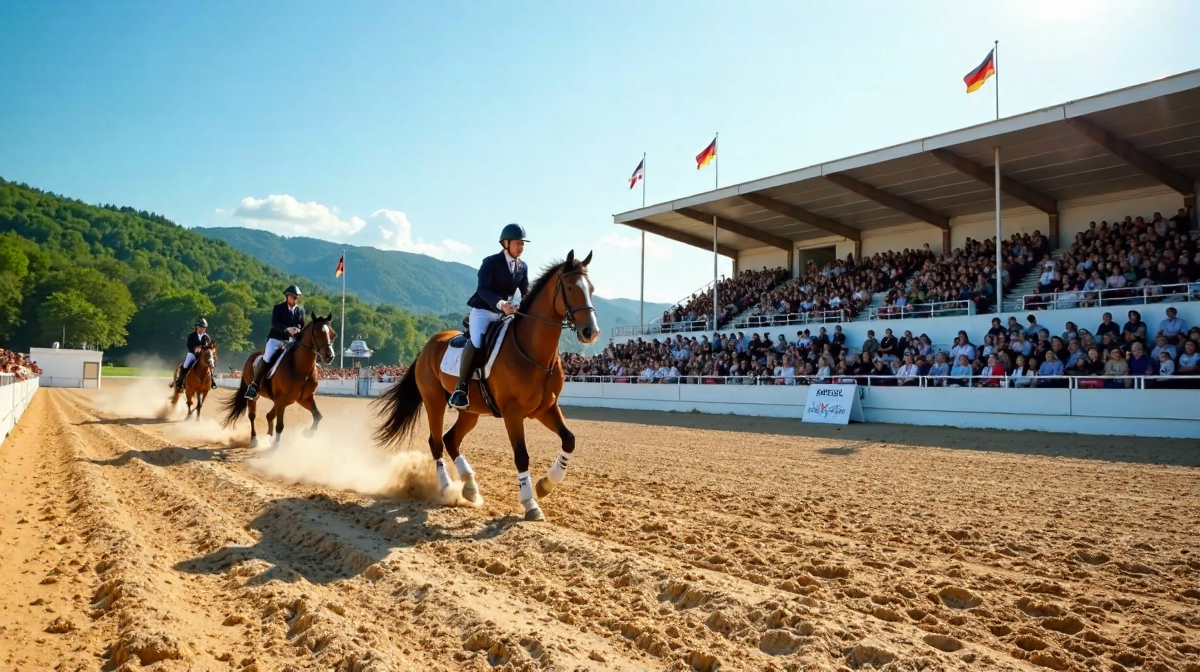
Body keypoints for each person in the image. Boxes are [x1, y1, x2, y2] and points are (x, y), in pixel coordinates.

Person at [450, 224, 531, 409]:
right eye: (518, 243)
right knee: (478, 341)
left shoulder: (522, 266)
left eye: (523, 244)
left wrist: (523, 305)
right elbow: (483, 289)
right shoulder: (491, 262)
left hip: (505, 314)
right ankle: (460, 389)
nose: (521, 247)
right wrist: (502, 304)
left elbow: (525, 291)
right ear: (506, 243)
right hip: (484, 311)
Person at [245, 285, 306, 400]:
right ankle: (254, 386)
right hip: (276, 339)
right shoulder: (278, 308)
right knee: (267, 357)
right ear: (287, 296)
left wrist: (297, 329)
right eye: (294, 297)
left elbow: (301, 323)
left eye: (298, 297)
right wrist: (286, 329)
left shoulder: (300, 310)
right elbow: (275, 323)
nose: (296, 299)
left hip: (291, 340)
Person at [173, 318, 215, 391]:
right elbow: (189, 345)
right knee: (185, 365)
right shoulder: (191, 336)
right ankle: (180, 381)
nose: (203, 329)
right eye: (201, 327)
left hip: (203, 356)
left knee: (210, 365)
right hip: (192, 354)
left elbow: (209, 346)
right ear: (197, 327)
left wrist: (203, 351)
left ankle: (213, 382)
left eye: (204, 327)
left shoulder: (207, 337)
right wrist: (195, 350)